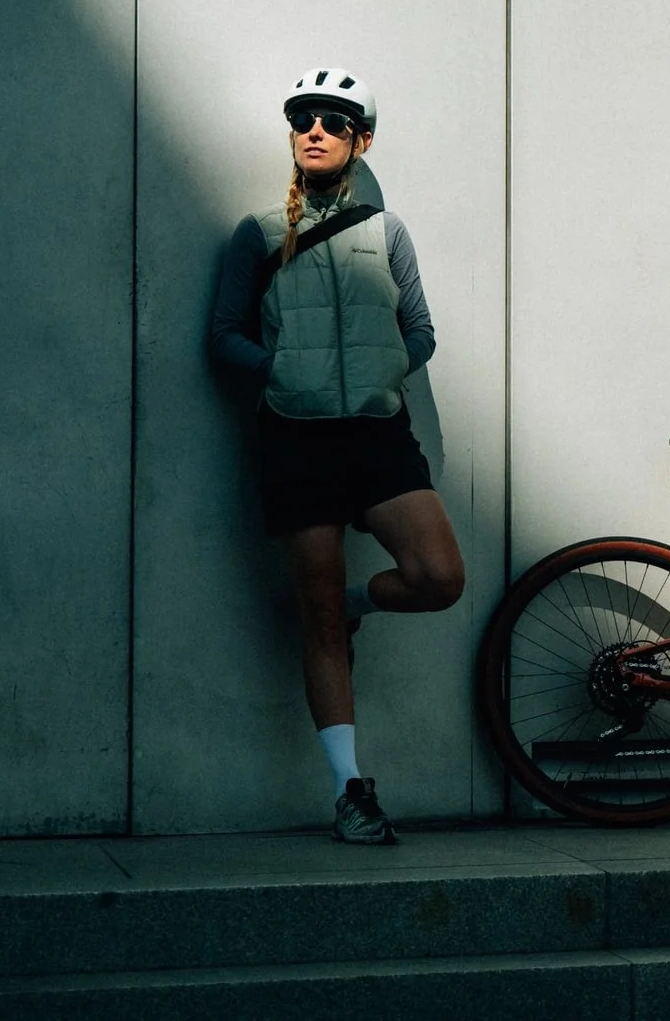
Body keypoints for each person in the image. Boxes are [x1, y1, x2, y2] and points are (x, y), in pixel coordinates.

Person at [208, 65, 465, 845]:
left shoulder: (386, 231)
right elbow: (221, 337)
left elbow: (420, 327)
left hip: (378, 435)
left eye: (331, 120)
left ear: (362, 140)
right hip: (296, 438)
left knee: (439, 577)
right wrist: (281, 370)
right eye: (303, 119)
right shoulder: (256, 233)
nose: (313, 129)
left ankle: (361, 604)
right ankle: (351, 789)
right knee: (315, 619)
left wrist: (390, 366)